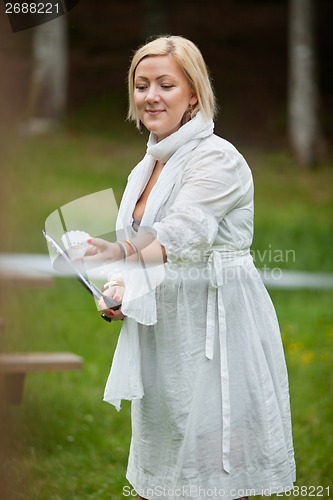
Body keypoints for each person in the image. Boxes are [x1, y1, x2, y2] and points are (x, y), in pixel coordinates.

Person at [85, 35, 296, 500]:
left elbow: (183, 234)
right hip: (164, 329)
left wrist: (115, 255)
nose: (151, 96)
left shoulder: (217, 158)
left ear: (194, 94)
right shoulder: (146, 166)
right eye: (142, 85)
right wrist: (115, 291)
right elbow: (134, 244)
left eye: (165, 84)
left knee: (213, 467)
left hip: (215, 328)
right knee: (161, 467)